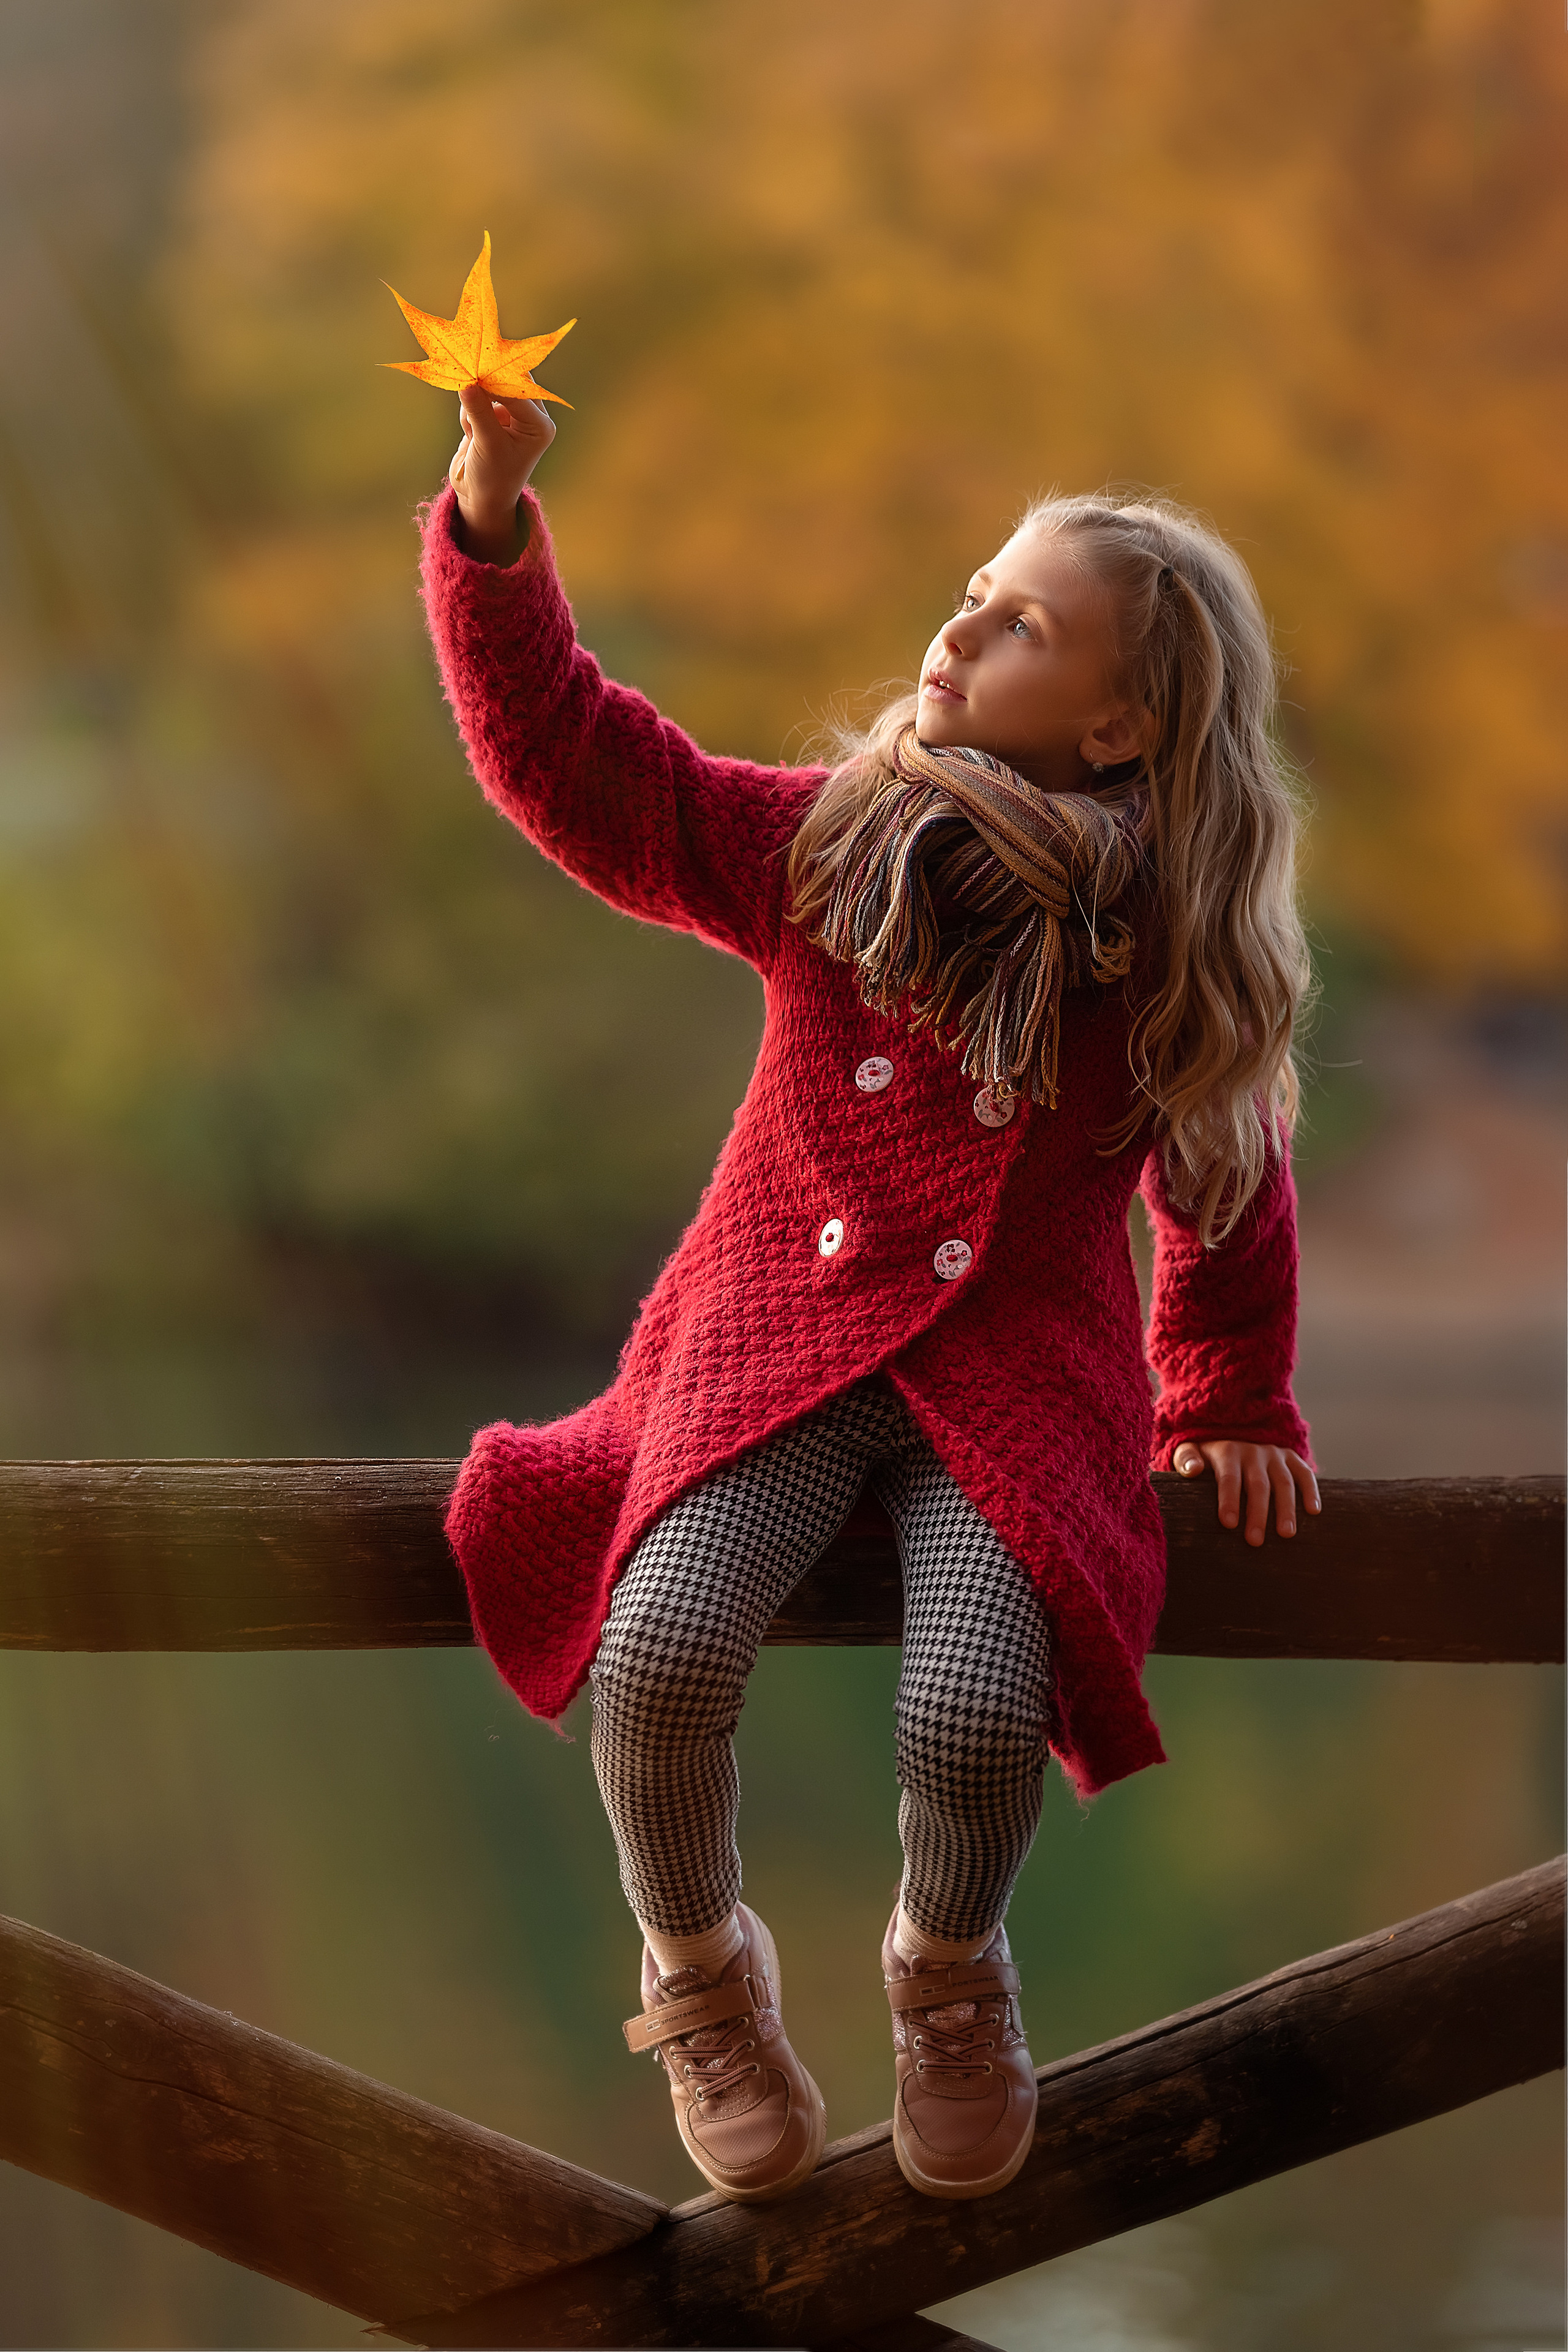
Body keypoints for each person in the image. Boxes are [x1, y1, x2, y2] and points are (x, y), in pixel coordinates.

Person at [419, 383, 1320, 2208]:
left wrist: (1223, 1388)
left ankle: (947, 1969)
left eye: (1023, 626)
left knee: (980, 1703)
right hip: (774, 1345)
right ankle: (701, 1973)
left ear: (1123, 722)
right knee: (659, 1651)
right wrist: (492, 526)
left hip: (1015, 1384)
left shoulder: (1159, 949)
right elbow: (585, 767)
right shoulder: (834, 852)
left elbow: (1226, 1175)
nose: (961, 631)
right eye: (973, 594)